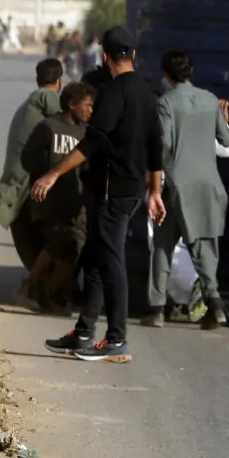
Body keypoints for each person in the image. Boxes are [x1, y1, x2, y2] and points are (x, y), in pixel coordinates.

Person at [34, 27, 162, 363]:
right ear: (132, 54)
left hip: (111, 190)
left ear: (105, 55)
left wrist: (53, 173)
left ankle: (117, 339)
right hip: (132, 190)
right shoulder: (148, 94)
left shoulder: (113, 92)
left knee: (110, 261)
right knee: (94, 257)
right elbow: (156, 148)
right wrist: (155, 191)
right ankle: (84, 332)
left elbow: (93, 143)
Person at [149, 50, 229, 330]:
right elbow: (224, 139)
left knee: (163, 244)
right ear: (190, 73)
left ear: (166, 75)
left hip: (177, 185)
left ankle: (157, 309)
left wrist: (154, 186)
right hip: (209, 185)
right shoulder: (210, 100)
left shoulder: (166, 103)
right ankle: (215, 303)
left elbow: (164, 147)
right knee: (205, 246)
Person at [18, 82, 95, 310]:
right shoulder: (48, 127)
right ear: (72, 104)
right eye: (87, 105)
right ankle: (34, 285)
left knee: (75, 246)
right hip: (50, 201)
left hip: (75, 201)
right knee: (62, 241)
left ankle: (49, 290)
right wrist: (48, 171)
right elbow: (27, 159)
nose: (91, 110)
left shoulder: (85, 133)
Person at [0, 59, 66, 268]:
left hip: (14, 181)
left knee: (27, 239)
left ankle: (38, 284)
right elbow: (67, 121)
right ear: (59, 81)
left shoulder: (29, 103)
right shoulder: (45, 98)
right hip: (25, 183)